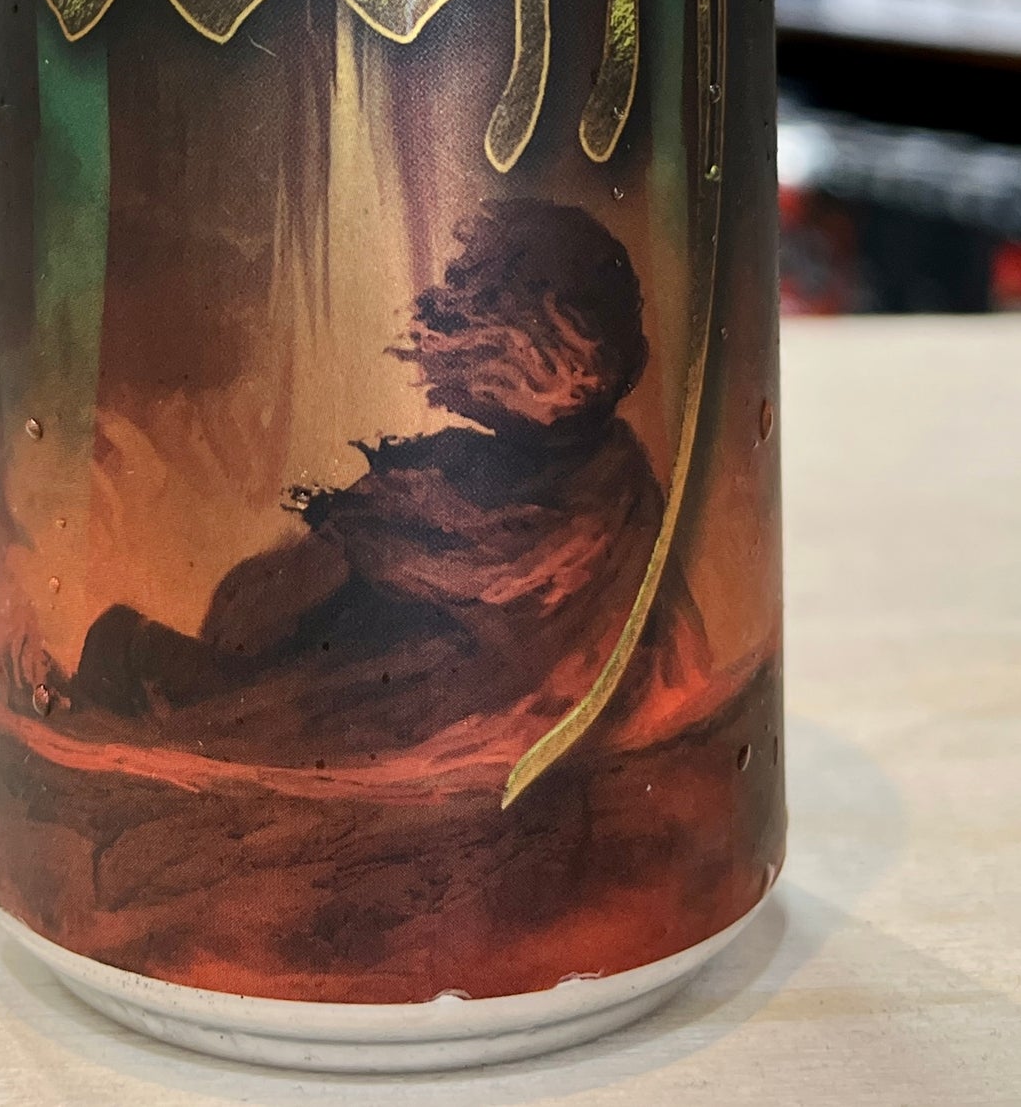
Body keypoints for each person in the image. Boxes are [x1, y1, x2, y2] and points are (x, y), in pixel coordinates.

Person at [67, 196, 709, 767]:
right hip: (367, 708)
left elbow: (246, 623)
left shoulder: (474, 496)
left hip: (349, 724)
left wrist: (339, 549)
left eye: (475, 305)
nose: (438, 325)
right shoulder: (618, 486)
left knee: (121, 647)